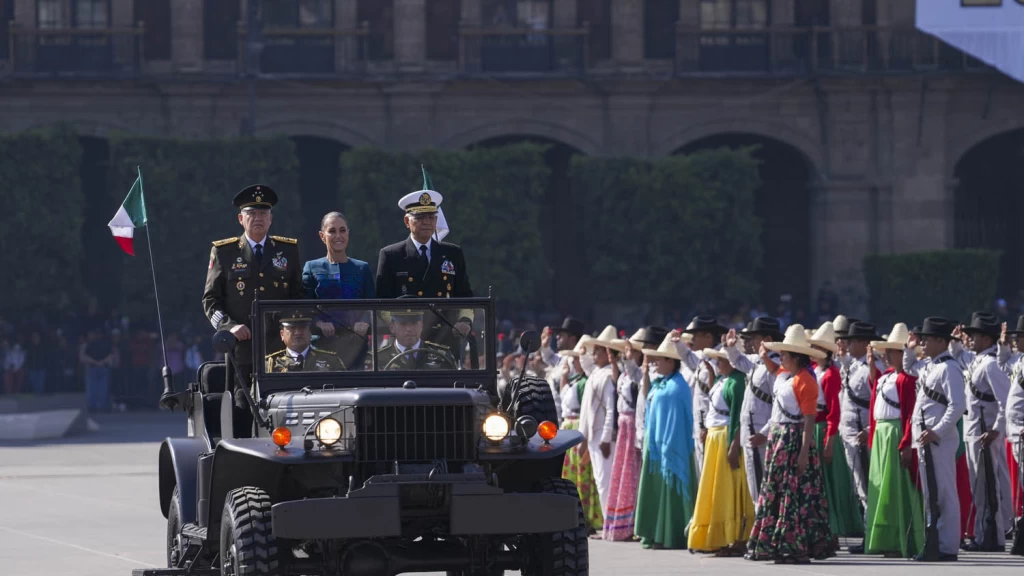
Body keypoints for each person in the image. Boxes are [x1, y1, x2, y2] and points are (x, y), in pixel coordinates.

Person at [746, 325, 833, 563]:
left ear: (795, 357)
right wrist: (764, 356)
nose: (781, 356)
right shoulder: (787, 374)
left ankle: (792, 545)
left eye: (785, 353)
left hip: (793, 440)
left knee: (793, 495)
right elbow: (774, 369)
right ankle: (777, 543)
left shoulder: (806, 381)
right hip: (779, 439)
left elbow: (808, 421)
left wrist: (804, 452)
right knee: (778, 491)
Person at [203, 184, 303, 386]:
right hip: (241, 349)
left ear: (271, 219)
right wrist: (229, 327)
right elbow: (211, 299)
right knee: (242, 406)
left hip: (280, 347)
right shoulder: (224, 252)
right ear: (241, 219)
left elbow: (299, 295)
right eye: (252, 213)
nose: (258, 218)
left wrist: (295, 329)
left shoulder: (288, 251)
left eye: (263, 213)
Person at [374, 167, 473, 352]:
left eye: (431, 217)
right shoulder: (391, 255)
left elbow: (466, 296)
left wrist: (465, 321)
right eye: (420, 217)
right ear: (407, 221)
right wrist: (399, 325)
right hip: (406, 339)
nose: (426, 222)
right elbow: (382, 302)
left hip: (445, 338)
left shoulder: (453, 253)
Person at [904, 317, 966, 562]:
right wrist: (908, 349)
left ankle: (947, 546)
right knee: (932, 493)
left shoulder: (949, 368)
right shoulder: (931, 365)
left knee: (944, 493)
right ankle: (934, 543)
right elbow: (909, 368)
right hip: (926, 440)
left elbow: (957, 406)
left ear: (941, 341)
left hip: (938, 440)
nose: (923, 343)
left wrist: (937, 431)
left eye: (927, 339)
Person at [951, 313, 1014, 551]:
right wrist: (956, 342)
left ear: (987, 339)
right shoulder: (978, 359)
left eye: (975, 335)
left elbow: (1005, 401)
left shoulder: (990, 365)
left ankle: (992, 536)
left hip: (985, 432)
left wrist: (996, 429)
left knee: (988, 485)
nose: (971, 339)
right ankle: (982, 534)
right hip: (974, 430)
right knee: (978, 485)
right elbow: (960, 356)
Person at [862, 323, 924, 558]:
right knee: (881, 487)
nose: (886, 356)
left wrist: (906, 443)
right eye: (886, 351)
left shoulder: (907, 380)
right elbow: (876, 391)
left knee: (897, 488)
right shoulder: (887, 376)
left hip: (896, 434)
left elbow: (910, 413)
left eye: (892, 352)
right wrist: (871, 367)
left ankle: (901, 539)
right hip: (881, 434)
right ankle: (884, 539)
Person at [688, 347, 753, 555]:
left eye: (721, 360)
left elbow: (738, 416)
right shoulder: (721, 380)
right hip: (715, 437)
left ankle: (735, 538)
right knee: (715, 488)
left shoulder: (737, 382)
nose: (718, 364)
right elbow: (714, 406)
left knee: (728, 490)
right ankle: (718, 537)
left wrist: (734, 446)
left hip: (726, 437)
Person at [634, 332, 696, 550]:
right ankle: (653, 532)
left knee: (670, 492)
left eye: (659, 359)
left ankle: (671, 535)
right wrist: (644, 376)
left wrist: (669, 445)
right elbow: (647, 399)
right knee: (655, 491)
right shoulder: (661, 383)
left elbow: (680, 421)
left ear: (671, 361)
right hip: (655, 445)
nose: (654, 363)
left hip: (671, 447)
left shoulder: (678, 387)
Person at [806, 321, 864, 544]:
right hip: (812, 427)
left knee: (829, 482)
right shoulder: (813, 371)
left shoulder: (831, 375)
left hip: (824, 429)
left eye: (819, 348)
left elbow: (834, 411)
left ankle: (833, 528)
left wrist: (830, 440)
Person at [723, 317, 784, 512]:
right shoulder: (759, 361)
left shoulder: (773, 366)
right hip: (752, 434)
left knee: (763, 486)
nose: (750, 343)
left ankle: (764, 535)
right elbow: (737, 360)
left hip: (761, 435)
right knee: (755, 487)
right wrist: (731, 348)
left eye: (754, 338)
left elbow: (780, 405)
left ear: (766, 338)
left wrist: (765, 432)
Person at [302, 211, 374, 368]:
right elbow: (305, 306)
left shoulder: (362, 268)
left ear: (348, 233)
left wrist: (364, 321)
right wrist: (319, 323)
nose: (338, 236)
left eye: (342, 230)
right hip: (322, 347)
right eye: (332, 231)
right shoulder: (312, 267)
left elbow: (372, 305)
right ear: (322, 236)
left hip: (356, 346)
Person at [835, 321, 883, 553]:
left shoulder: (872, 368)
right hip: (850, 434)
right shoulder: (855, 366)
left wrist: (868, 429)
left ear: (864, 344)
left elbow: (877, 402)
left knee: (867, 486)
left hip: (861, 434)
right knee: (860, 486)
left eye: (852, 341)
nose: (848, 344)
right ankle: (869, 533)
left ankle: (871, 535)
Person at [579, 326, 620, 521]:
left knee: (606, 480)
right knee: (600, 479)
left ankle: (610, 521)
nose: (593, 354)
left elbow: (611, 408)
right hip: (594, 436)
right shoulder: (596, 373)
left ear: (608, 353)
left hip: (603, 437)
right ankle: (608, 520)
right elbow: (585, 360)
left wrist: (605, 438)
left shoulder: (608, 377)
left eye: (598, 350)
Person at [376, 310, 457, 370]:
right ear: (392, 327)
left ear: (421, 326)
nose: (409, 329)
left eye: (414, 323)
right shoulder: (378, 358)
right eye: (403, 324)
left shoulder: (442, 356)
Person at [265, 311, 345, 372]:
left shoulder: (330, 360)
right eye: (292, 328)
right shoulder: (271, 364)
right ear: (282, 334)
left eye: (302, 328)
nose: (298, 333)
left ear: (310, 333)